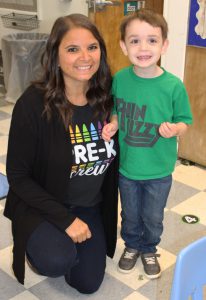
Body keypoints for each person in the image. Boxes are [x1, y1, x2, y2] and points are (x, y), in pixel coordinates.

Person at [4, 14, 119, 294]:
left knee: (87, 283)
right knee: (55, 260)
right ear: (55, 56)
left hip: (88, 206)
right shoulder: (32, 104)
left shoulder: (108, 98)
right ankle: (36, 249)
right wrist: (65, 220)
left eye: (92, 47)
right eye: (72, 49)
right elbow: (18, 176)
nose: (85, 57)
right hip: (42, 204)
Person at [102, 9, 192, 279]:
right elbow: (116, 109)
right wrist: (114, 123)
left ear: (164, 45)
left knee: (152, 216)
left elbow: (185, 121)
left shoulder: (173, 86)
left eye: (152, 40)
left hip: (159, 170)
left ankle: (150, 247)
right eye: (135, 40)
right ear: (123, 45)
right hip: (128, 168)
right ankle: (131, 245)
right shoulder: (120, 79)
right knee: (130, 213)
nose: (143, 48)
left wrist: (174, 129)